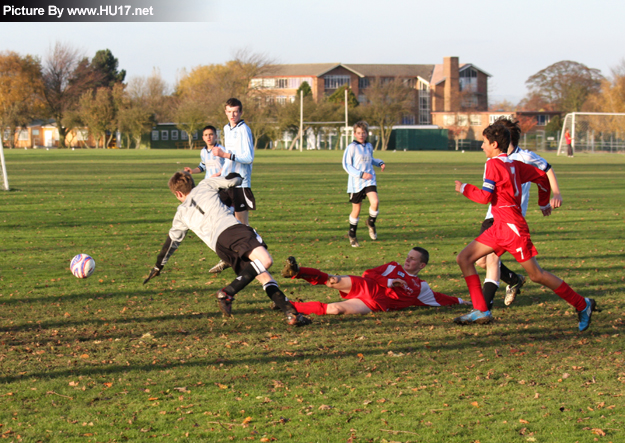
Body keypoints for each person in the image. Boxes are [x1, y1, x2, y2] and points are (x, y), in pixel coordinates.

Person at [453, 123, 598, 331]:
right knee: (464, 258)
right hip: (499, 227)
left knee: (536, 275)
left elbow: (485, 197)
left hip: (512, 229)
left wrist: (464, 188)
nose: (482, 146)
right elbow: (541, 177)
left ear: (494, 144)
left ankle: (583, 304)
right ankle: (481, 310)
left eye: (484, 142)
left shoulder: (492, 164)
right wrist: (543, 202)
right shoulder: (514, 164)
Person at [143, 171, 311, 327]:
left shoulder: (181, 213)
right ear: (192, 184)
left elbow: (171, 242)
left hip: (220, 247)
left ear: (178, 194)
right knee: (265, 260)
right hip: (232, 231)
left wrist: (158, 266)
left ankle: (290, 313)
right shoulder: (205, 184)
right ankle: (227, 292)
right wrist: (225, 177)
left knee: (262, 276)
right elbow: (235, 180)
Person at [476, 118, 563, 310]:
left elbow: (546, 170)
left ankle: (484, 309)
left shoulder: (525, 157)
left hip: (511, 219)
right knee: (481, 260)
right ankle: (514, 280)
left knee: (492, 259)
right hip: (492, 214)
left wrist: (554, 195)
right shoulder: (492, 160)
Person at [280, 247, 469, 316]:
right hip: (365, 285)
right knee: (332, 280)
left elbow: (440, 298)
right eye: (408, 256)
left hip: (372, 302)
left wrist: (463, 302)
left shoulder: (421, 287)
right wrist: (388, 282)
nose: (407, 260)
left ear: (422, 265)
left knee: (335, 309)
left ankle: (288, 306)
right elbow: (368, 273)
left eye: (413, 259)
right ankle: (297, 271)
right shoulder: (393, 267)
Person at [207, 97, 256, 274]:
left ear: (241, 112)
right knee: (220, 216)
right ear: (225, 112)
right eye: (229, 111)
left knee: (242, 225)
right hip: (228, 181)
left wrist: (225, 155)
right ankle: (229, 256)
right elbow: (230, 155)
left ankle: (257, 253)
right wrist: (221, 172)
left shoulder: (244, 130)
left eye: (235, 111)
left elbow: (248, 158)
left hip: (241, 183)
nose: (232, 115)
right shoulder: (227, 128)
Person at [342, 121, 385, 247]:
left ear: (367, 133)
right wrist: (361, 174)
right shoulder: (351, 147)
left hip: (369, 180)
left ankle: (371, 223)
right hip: (356, 182)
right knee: (357, 209)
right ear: (355, 134)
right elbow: (346, 165)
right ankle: (352, 234)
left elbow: (370, 159)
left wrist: (379, 163)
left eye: (363, 133)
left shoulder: (369, 146)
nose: (361, 135)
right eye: (359, 133)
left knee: (375, 202)